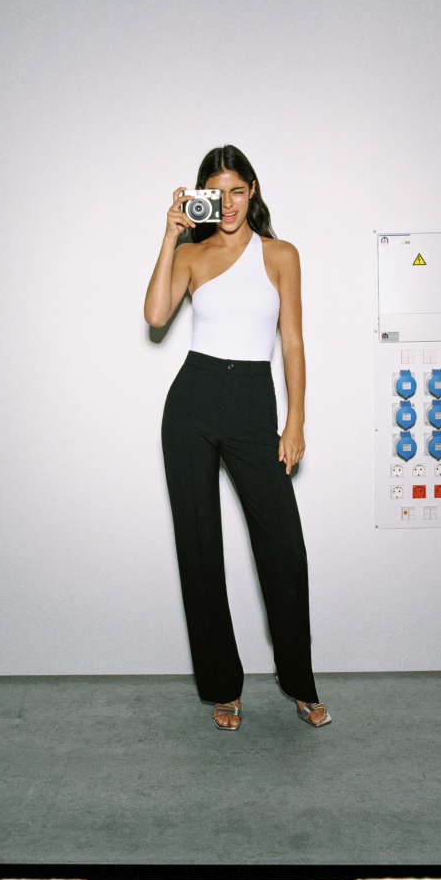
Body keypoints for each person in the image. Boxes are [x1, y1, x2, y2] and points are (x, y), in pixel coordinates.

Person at [144, 145, 331, 731]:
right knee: (199, 549)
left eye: (237, 191)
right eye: (216, 193)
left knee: (284, 550)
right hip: (192, 402)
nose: (227, 204)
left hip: (253, 403)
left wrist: (295, 420)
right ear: (200, 197)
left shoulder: (281, 254)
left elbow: (292, 341)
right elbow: (155, 316)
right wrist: (170, 236)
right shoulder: (192, 254)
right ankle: (223, 687)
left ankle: (299, 683)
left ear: (252, 191)